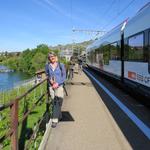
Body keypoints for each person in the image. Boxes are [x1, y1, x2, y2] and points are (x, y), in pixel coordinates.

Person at [45, 52, 66, 128]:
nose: (51, 57)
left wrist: (58, 83)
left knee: (58, 102)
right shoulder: (47, 66)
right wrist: (50, 80)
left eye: (53, 56)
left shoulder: (61, 65)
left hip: (59, 86)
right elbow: (47, 74)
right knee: (55, 102)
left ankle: (55, 118)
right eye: (50, 57)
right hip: (51, 87)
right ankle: (57, 117)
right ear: (49, 58)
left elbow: (64, 76)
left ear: (56, 57)